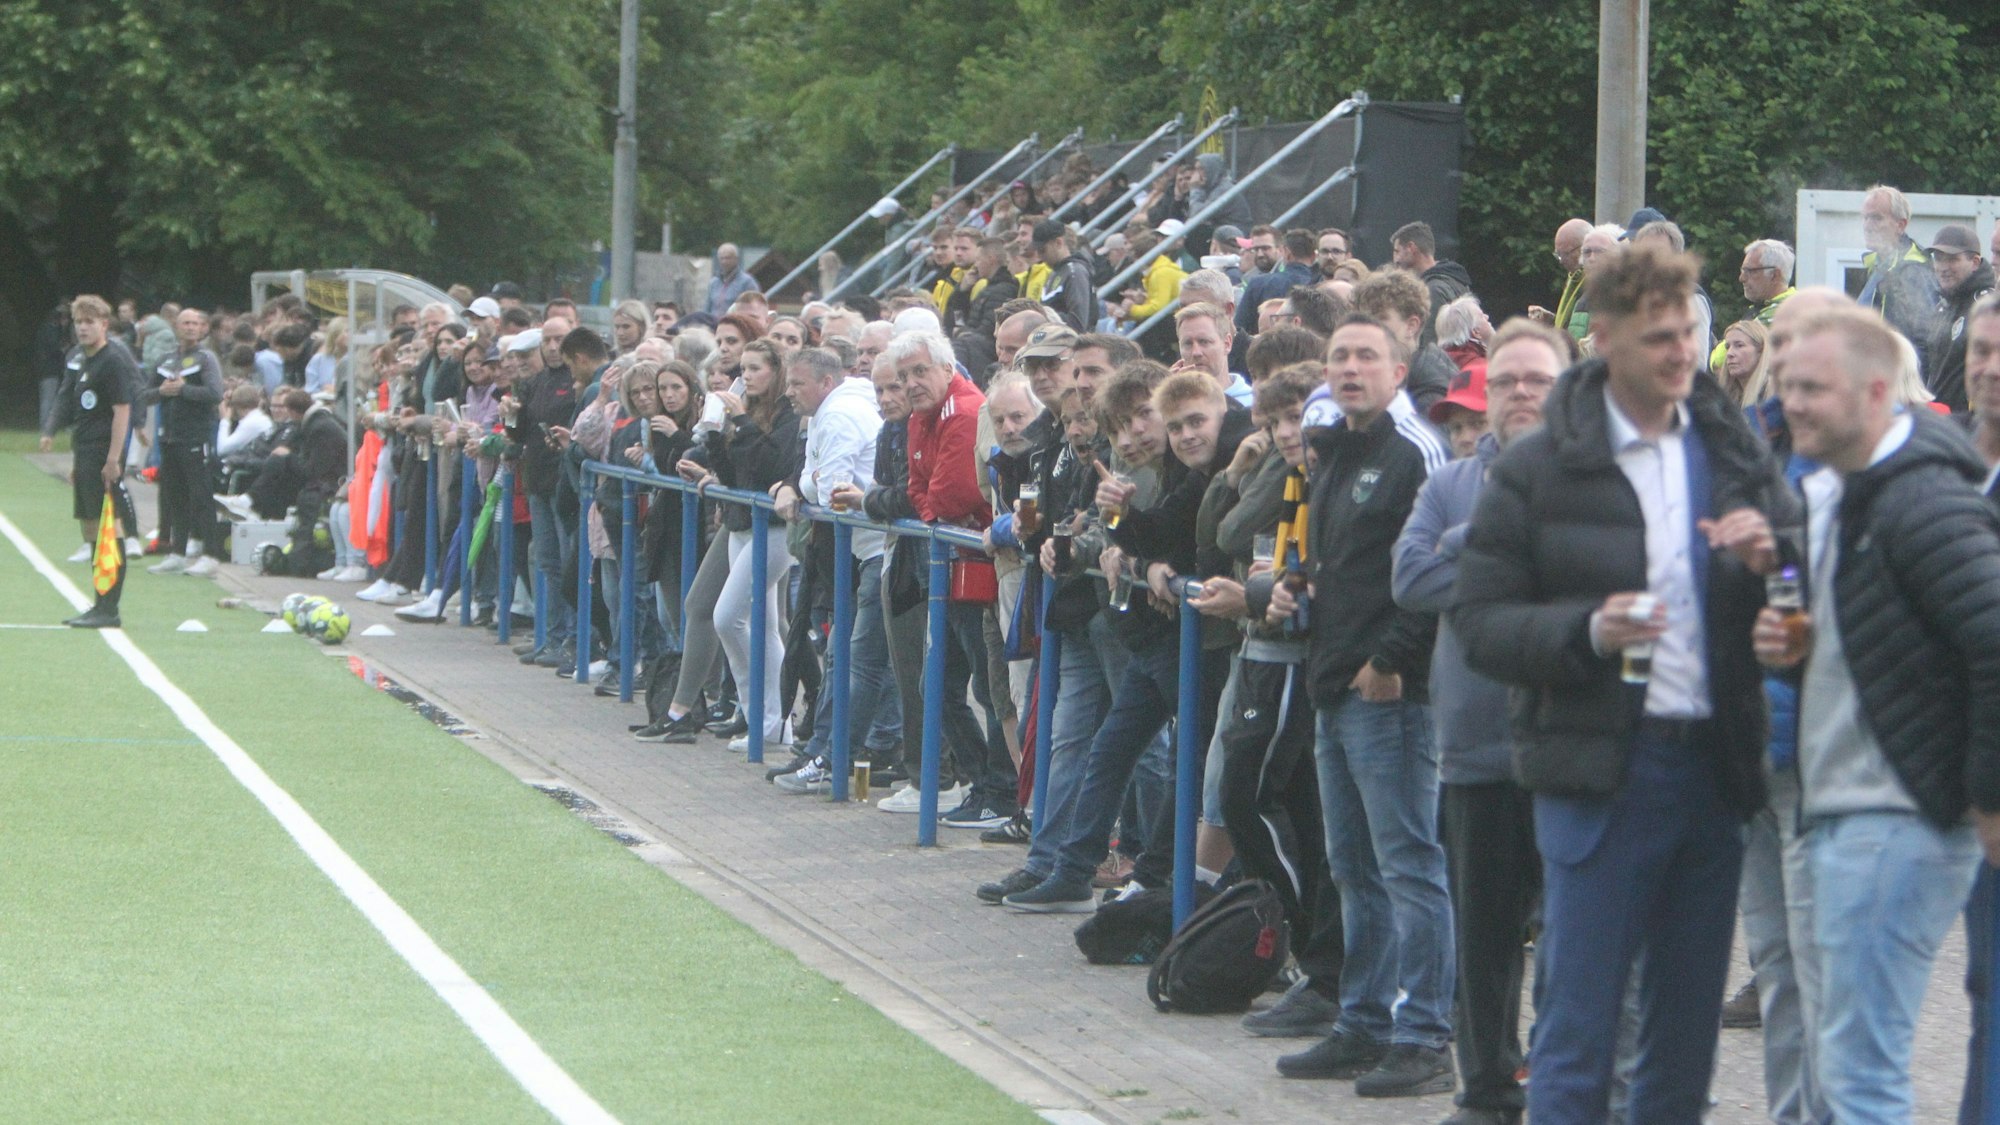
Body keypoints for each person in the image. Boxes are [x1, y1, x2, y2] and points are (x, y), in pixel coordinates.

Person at [1451, 244, 1796, 1122]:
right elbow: (1481, 620)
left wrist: (1772, 559)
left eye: (1688, 333)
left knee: (1683, 1044)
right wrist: (1588, 629)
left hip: (1713, 773)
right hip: (1597, 771)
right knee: (1579, 1031)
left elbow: (1794, 577)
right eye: (1657, 338)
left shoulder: (1727, 443)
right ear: (1602, 339)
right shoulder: (1539, 467)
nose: (1682, 354)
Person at [1749, 304, 2000, 1122]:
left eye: (1815, 387)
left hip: (1897, 817)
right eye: (1787, 386)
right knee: (1844, 1060)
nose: (1794, 403)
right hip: (1842, 810)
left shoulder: (1923, 500)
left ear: (1879, 392)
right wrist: (1792, 639)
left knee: (1860, 1073)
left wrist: (1988, 797)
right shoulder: (1830, 490)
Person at [1262, 315, 1454, 1096]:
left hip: (1388, 690)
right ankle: (1364, 1019)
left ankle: (1425, 1034)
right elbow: (1341, 563)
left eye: (1366, 356)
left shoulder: (1413, 453)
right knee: (1353, 867)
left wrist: (1389, 660)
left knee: (1408, 863)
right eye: (1338, 356)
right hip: (1333, 681)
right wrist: (1295, 587)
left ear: (1400, 369)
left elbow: (1439, 570)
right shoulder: (1336, 449)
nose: (1349, 368)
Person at [1393, 319, 1572, 1125]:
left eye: (1538, 379)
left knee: (1575, 931)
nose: (1522, 394)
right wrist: (1492, 543)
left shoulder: (1596, 483)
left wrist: (1473, 565)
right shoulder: (1449, 487)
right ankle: (1488, 1089)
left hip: (1574, 743)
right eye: (1507, 381)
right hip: (1474, 742)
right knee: (1486, 934)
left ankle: (1568, 1080)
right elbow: (1412, 577)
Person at [891, 330, 1018, 827]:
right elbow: (919, 489)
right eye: (903, 376)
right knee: (940, 685)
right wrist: (930, 509)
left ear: (948, 368)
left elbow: (950, 497)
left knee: (987, 690)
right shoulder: (923, 417)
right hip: (953, 560)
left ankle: (1000, 791)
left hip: (977, 566)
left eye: (920, 371)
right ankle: (984, 783)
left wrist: (930, 510)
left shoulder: (964, 411)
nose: (911, 384)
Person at [771, 347, 889, 794]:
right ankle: (827, 751)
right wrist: (801, 483)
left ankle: (836, 758)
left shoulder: (839, 415)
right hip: (861, 551)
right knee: (849, 654)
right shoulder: (827, 414)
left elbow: (825, 490)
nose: (789, 392)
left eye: (797, 383)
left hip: (878, 550)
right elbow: (812, 477)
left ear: (826, 382)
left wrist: (797, 487)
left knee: (861, 660)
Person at [678, 338, 801, 750]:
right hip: (743, 523)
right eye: (742, 370)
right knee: (762, 625)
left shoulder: (786, 414)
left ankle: (771, 716)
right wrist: (714, 438)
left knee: (727, 616)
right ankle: (767, 720)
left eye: (754, 369)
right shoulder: (745, 411)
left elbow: (773, 466)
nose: (745, 377)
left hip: (775, 528)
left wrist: (742, 423)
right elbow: (736, 474)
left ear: (775, 371)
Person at [41, 295, 136, 627]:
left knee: (109, 528)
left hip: (102, 454)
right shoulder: (83, 359)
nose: (82, 328)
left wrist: (113, 458)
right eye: (79, 322)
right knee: (91, 528)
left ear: (104, 324)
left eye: (89, 322)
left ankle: (109, 608)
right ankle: (100, 603)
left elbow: (122, 410)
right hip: (86, 453)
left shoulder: (112, 360)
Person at [141, 307, 224, 577]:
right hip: (169, 436)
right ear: (176, 327)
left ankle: (210, 553)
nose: (190, 327)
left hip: (196, 436)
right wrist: (161, 391)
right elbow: (145, 394)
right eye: (185, 323)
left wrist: (184, 390)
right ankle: (177, 552)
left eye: (195, 323)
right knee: (174, 495)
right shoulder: (166, 359)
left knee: (201, 494)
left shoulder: (206, 358)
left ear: (202, 329)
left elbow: (215, 394)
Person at [1857, 185, 1944, 370]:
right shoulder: (1881, 265)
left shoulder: (1912, 270)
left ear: (1900, 225)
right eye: (1865, 217)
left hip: (1897, 388)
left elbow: (1927, 344)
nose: (1867, 225)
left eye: (1876, 218)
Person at [1925, 223, 1996, 412]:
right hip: (1942, 423)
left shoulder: (1987, 307)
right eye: (1938, 259)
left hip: (1972, 427)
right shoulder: (1942, 306)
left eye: (1952, 259)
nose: (1943, 267)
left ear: (1974, 262)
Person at [1391, 221, 1472, 347]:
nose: (1395, 260)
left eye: (1397, 251)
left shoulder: (1433, 290)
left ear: (1411, 248)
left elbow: (1430, 345)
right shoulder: (1454, 279)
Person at [1237, 228, 1318, 341]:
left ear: (1285, 252)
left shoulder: (1257, 284)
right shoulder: (1322, 286)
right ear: (1314, 256)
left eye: (1266, 248)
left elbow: (1239, 329)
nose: (1260, 254)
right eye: (1255, 249)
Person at [1528, 218, 1591, 335]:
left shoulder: (1596, 283)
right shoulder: (1574, 278)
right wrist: (1552, 322)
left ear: (1584, 247)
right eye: (1558, 255)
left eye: (1565, 254)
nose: (1561, 261)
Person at [1718, 319, 1772, 408]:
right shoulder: (1723, 400)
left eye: (1739, 345)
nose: (1729, 353)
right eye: (1727, 347)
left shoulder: (1776, 399)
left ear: (1761, 350)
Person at [704, 243, 760, 317]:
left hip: (736, 325)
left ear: (736, 259)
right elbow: (707, 309)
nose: (724, 261)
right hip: (714, 326)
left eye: (727, 258)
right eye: (721, 258)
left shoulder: (747, 282)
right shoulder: (713, 283)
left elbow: (755, 308)